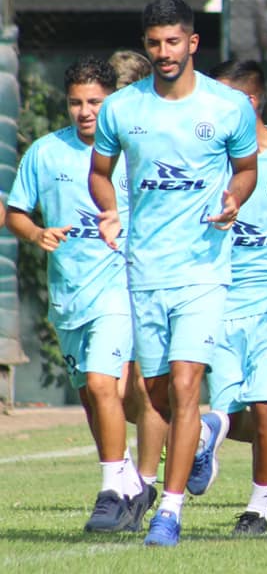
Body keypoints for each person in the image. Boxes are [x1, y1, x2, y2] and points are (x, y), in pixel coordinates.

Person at [90, 0, 258, 547]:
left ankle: (171, 508)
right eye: (154, 43)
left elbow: (247, 169)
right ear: (147, 45)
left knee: (189, 385)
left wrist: (234, 197)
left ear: (192, 43)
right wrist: (109, 210)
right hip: (145, 270)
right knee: (155, 395)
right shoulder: (122, 109)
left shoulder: (228, 106)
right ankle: (182, 459)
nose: (164, 52)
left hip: (205, 269)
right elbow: (100, 171)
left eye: (173, 42)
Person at [6, 57, 154, 533]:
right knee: (94, 399)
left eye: (95, 101)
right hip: (69, 296)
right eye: (76, 102)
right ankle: (130, 484)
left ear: (112, 102)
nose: (85, 111)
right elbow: (16, 212)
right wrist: (36, 235)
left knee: (99, 384)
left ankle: (111, 489)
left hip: (121, 288)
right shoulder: (46, 153)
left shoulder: (135, 152)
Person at [206, 59, 267, 535]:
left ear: (249, 103)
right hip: (220, 297)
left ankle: (258, 508)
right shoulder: (205, 158)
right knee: (227, 415)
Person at [105, 47, 169, 490]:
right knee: (111, 388)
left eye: (125, 91)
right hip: (105, 275)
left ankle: (139, 481)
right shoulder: (100, 145)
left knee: (146, 386)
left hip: (151, 270)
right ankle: (195, 432)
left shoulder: (159, 140)